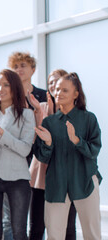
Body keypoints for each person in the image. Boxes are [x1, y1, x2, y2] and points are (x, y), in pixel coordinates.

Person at [34, 72, 102, 240]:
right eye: (57, 89)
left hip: (85, 181)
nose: (59, 93)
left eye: (64, 90)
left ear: (76, 94)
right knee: (54, 235)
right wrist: (48, 143)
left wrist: (77, 140)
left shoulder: (89, 119)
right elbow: (42, 157)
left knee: (92, 235)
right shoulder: (48, 122)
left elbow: (94, 150)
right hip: (56, 184)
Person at [0, 69, 35, 240]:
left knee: (19, 232)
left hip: (17, 179)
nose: (0, 89)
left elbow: (25, 149)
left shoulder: (27, 115)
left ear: (15, 87)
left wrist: (1, 132)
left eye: (5, 85)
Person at [28, 69, 77, 240]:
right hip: (41, 175)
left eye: (57, 82)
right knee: (36, 227)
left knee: (68, 228)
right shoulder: (39, 108)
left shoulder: (74, 112)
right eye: (50, 83)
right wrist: (41, 115)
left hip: (66, 177)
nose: (53, 86)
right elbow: (36, 142)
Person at [4, 51, 47, 239]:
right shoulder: (7, 98)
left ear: (33, 69)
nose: (19, 69)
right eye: (15, 66)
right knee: (13, 218)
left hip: (38, 160)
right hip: (15, 160)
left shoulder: (45, 96)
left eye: (23, 65)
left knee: (37, 218)